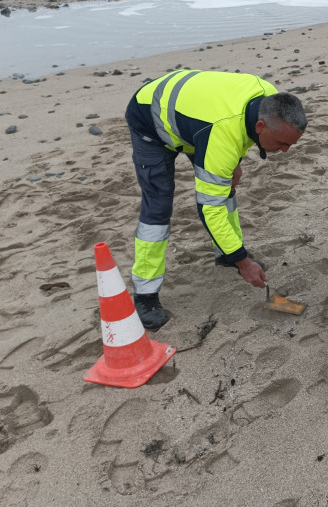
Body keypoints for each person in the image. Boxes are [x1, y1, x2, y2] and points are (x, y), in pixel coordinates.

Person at [124, 70, 307, 330]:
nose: (285, 150)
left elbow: (237, 131)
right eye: (282, 143)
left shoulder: (267, 97)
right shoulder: (221, 135)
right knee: (158, 208)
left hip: (198, 123)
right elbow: (209, 209)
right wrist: (244, 263)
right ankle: (145, 295)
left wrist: (235, 163)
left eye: (291, 145)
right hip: (151, 119)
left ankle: (226, 254)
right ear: (261, 127)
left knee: (226, 187)